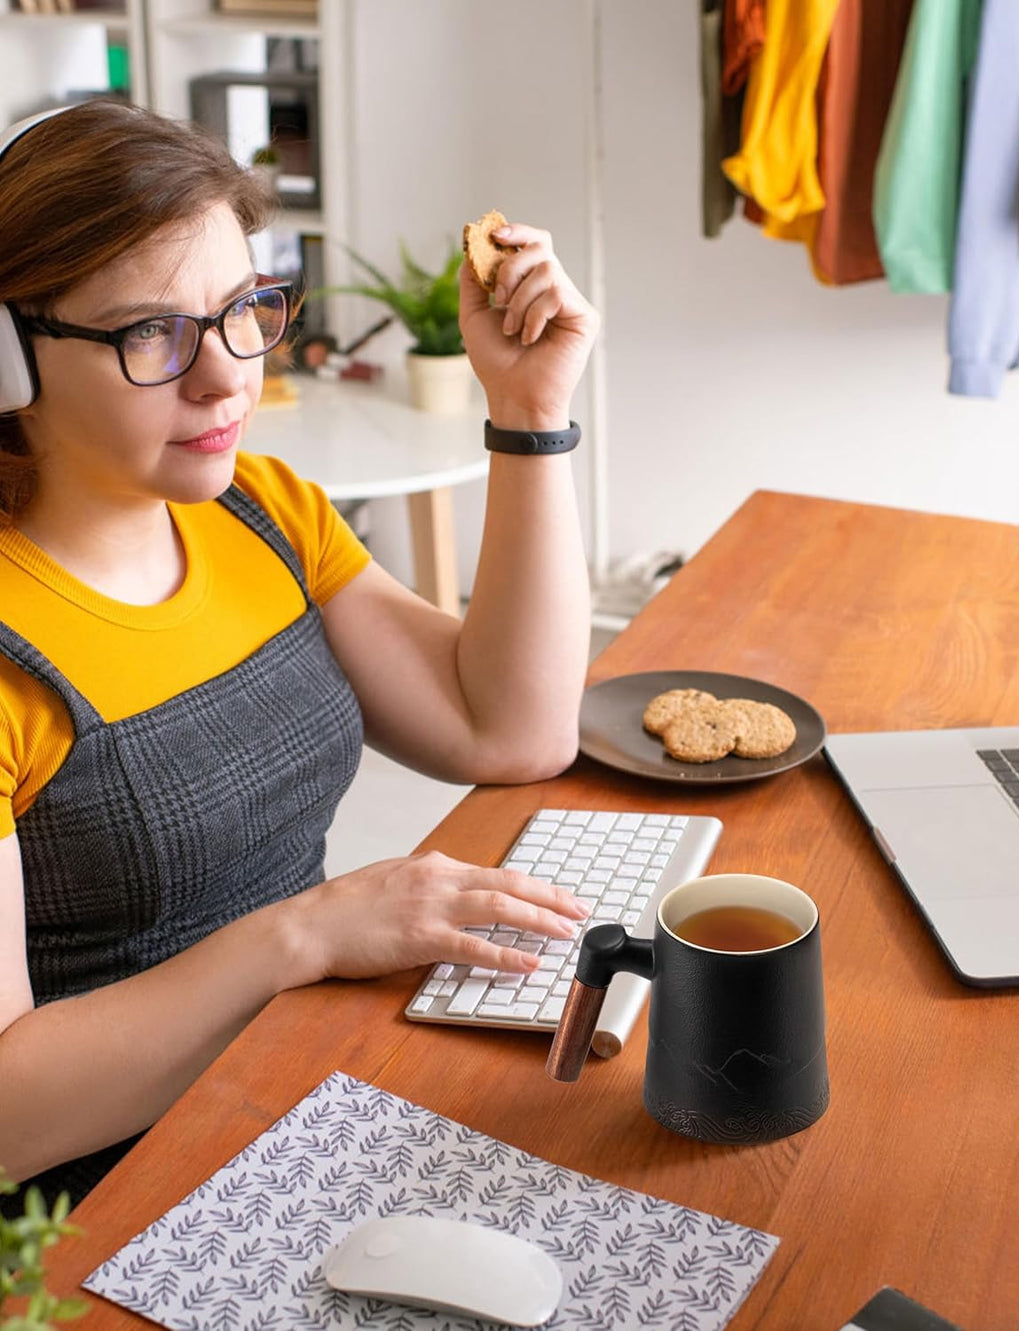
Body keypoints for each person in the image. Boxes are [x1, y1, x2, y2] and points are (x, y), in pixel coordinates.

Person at [0, 99, 599, 1211]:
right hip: (114, 1200)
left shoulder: (262, 516)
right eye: (149, 334)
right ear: (9, 359)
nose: (226, 376)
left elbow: (507, 729)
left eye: (240, 310)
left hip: (303, 1092)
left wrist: (528, 412)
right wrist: (310, 931)